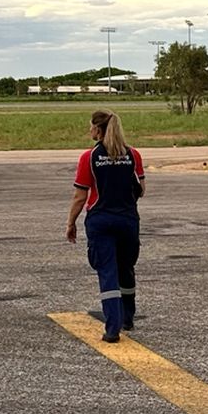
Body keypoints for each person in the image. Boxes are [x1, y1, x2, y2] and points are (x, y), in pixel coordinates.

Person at [66, 110, 146, 343]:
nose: (89, 130)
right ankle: (128, 317)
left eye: (91, 127)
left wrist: (71, 222)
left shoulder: (89, 158)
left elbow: (80, 196)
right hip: (128, 220)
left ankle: (112, 328)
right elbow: (141, 189)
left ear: (98, 130)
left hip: (100, 220)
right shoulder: (133, 155)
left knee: (107, 272)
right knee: (126, 268)